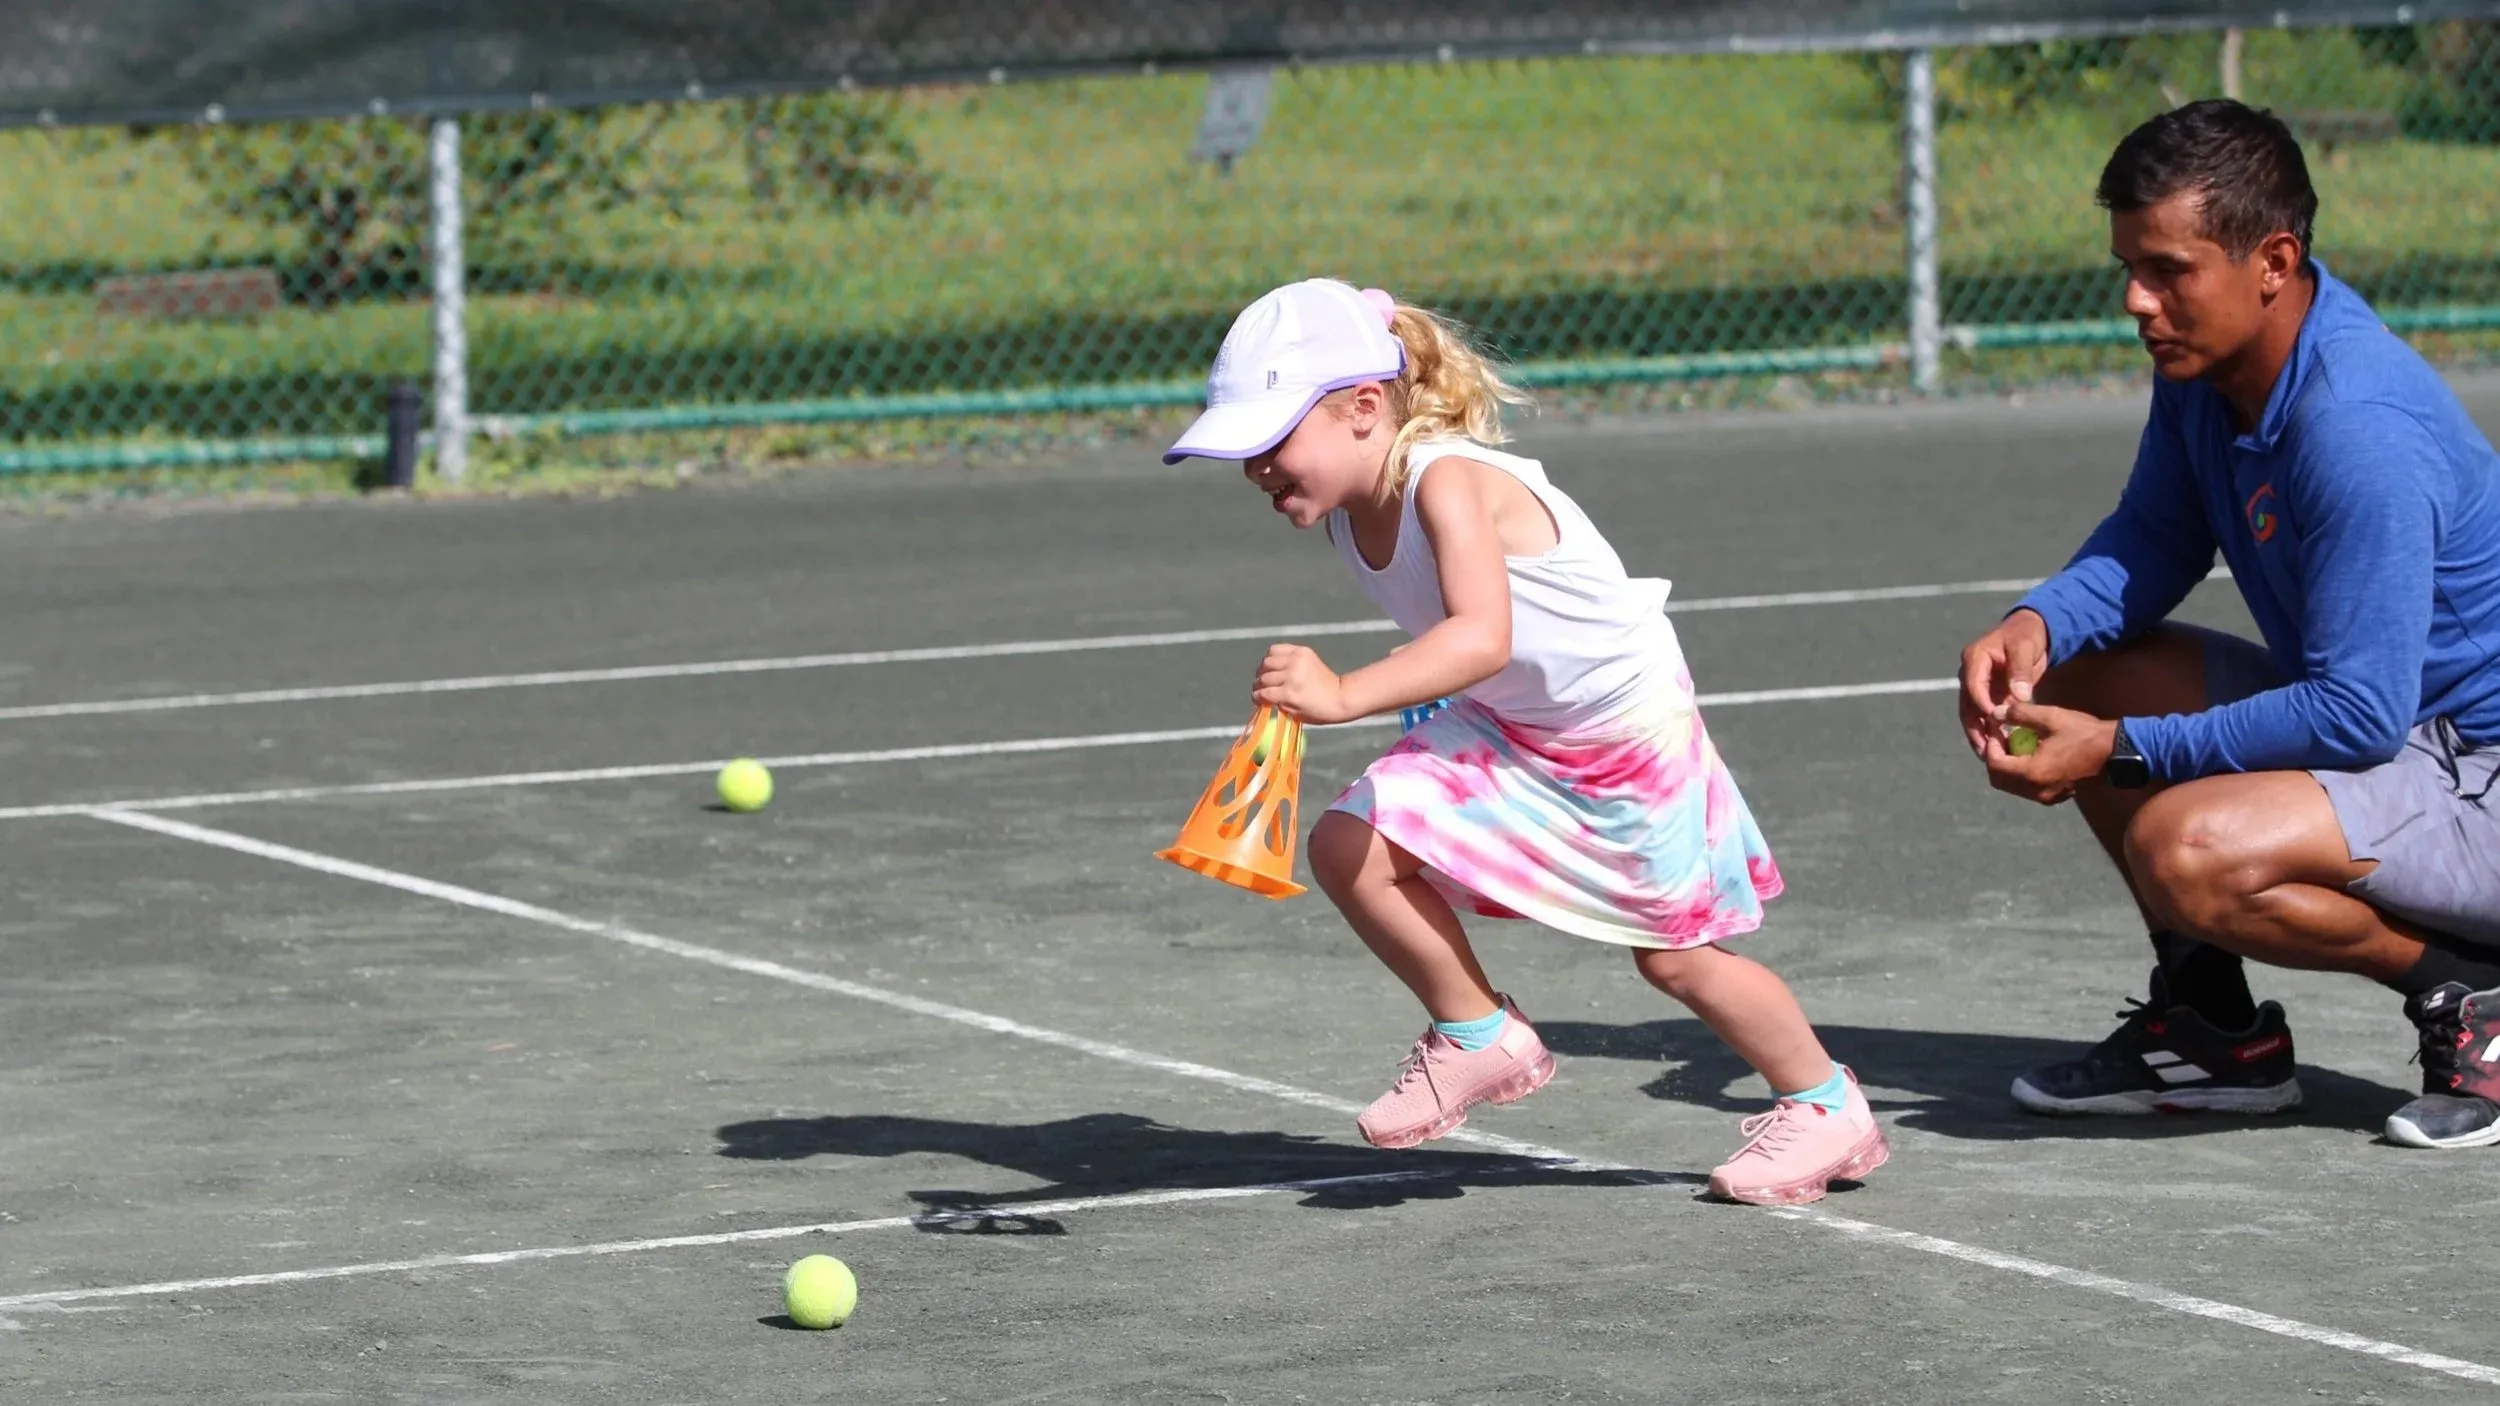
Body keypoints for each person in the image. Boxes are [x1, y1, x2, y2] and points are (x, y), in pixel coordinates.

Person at [1163, 277, 1888, 1203]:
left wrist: (1345, 692)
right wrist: (1409, 691)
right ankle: (1479, 1035)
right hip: (1515, 724)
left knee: (1676, 956)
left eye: (1271, 440)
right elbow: (1467, 638)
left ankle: (1826, 1106)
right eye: (1243, 450)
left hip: (1621, 732)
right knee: (1349, 844)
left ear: (1363, 407)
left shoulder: (1448, 480)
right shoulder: (1353, 512)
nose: (1256, 468)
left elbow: (1481, 636)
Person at [1961, 100, 2500, 1149]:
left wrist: (2118, 752)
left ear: (2272, 259)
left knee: (2185, 845)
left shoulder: (2356, 428)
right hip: (2402, 747)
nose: (2135, 299)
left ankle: (2465, 994)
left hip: (2478, 774)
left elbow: (2353, 714)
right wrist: (2036, 623)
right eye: (2128, 265)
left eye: (2168, 270)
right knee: (2075, 676)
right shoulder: (2211, 367)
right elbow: (2157, 534)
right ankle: (2212, 1031)